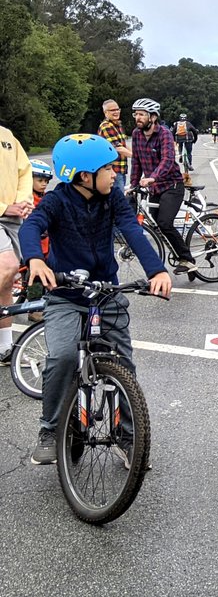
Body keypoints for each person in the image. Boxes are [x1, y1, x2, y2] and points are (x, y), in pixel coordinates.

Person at [19, 133, 171, 465]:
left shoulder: (112, 197)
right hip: (65, 295)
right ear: (85, 176)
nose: (115, 174)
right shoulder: (57, 201)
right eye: (108, 169)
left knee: (123, 363)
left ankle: (127, 436)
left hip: (105, 293)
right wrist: (35, 259)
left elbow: (131, 229)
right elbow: (31, 227)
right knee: (61, 357)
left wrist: (157, 270)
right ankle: (50, 430)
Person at [129, 97, 198, 275]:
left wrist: (152, 177)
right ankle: (178, 253)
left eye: (142, 114)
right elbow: (136, 161)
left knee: (164, 222)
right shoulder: (136, 134)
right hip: (154, 188)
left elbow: (167, 160)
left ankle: (187, 260)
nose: (137, 118)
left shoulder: (164, 133)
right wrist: (133, 185)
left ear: (152, 117)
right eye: (136, 114)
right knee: (157, 226)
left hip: (171, 185)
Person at [0, 122, 33, 365]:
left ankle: (4, 348)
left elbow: (24, 171)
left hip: (13, 217)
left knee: (7, 282)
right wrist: (4, 207)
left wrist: (22, 202)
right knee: (8, 266)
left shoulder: (6, 135)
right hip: (4, 212)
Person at [97, 99, 132, 194]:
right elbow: (117, 147)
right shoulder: (106, 126)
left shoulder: (117, 125)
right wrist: (135, 157)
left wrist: (136, 154)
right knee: (118, 197)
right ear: (105, 112)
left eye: (117, 109)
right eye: (112, 110)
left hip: (121, 169)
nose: (116, 112)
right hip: (113, 170)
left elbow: (124, 145)